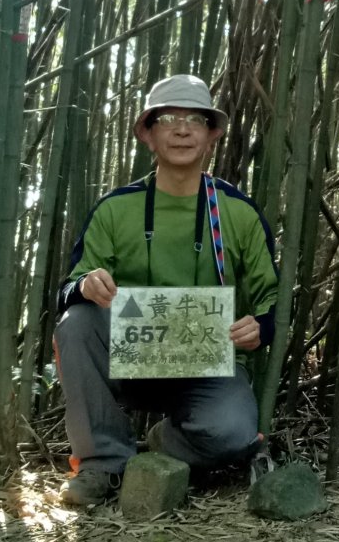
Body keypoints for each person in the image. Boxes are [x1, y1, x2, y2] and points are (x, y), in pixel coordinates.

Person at [54, 74, 278, 506]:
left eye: (195, 120)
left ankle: (165, 443)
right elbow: (67, 291)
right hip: (129, 356)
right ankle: (103, 463)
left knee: (231, 434)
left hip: (207, 363)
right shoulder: (116, 209)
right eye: (169, 119)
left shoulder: (237, 212)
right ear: (147, 134)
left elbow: (273, 298)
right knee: (76, 322)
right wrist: (85, 285)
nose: (182, 130)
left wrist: (260, 327)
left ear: (211, 135)